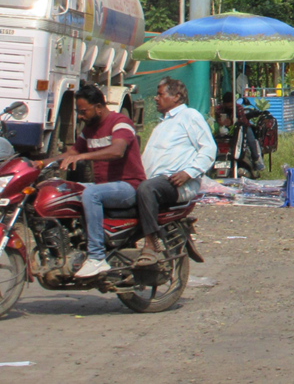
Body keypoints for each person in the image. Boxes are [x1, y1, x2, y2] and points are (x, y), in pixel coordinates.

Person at [58, 85, 146, 278]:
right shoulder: (89, 130)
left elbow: (117, 151)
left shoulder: (120, 123)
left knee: (91, 193)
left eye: (83, 112)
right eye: (78, 112)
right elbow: (71, 153)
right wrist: (38, 163)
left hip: (128, 186)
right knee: (62, 190)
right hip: (105, 187)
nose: (80, 117)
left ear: (98, 107)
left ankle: (97, 257)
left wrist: (83, 158)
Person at [135, 78, 216, 267]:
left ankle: (151, 244)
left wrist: (188, 172)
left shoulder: (189, 116)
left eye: (160, 94)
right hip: (156, 183)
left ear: (176, 96)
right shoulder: (163, 124)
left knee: (147, 189)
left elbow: (208, 149)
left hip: (176, 184)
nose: (155, 99)